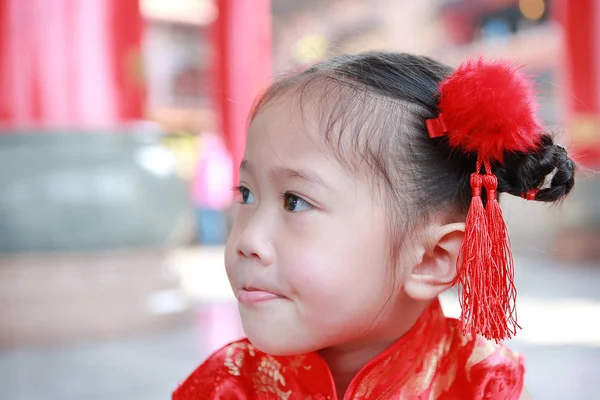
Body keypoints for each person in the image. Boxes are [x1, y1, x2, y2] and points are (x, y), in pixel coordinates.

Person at [173, 52, 575, 399]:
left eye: (295, 201)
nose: (247, 239)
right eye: (246, 194)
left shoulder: (482, 386)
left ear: (432, 259)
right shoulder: (223, 386)